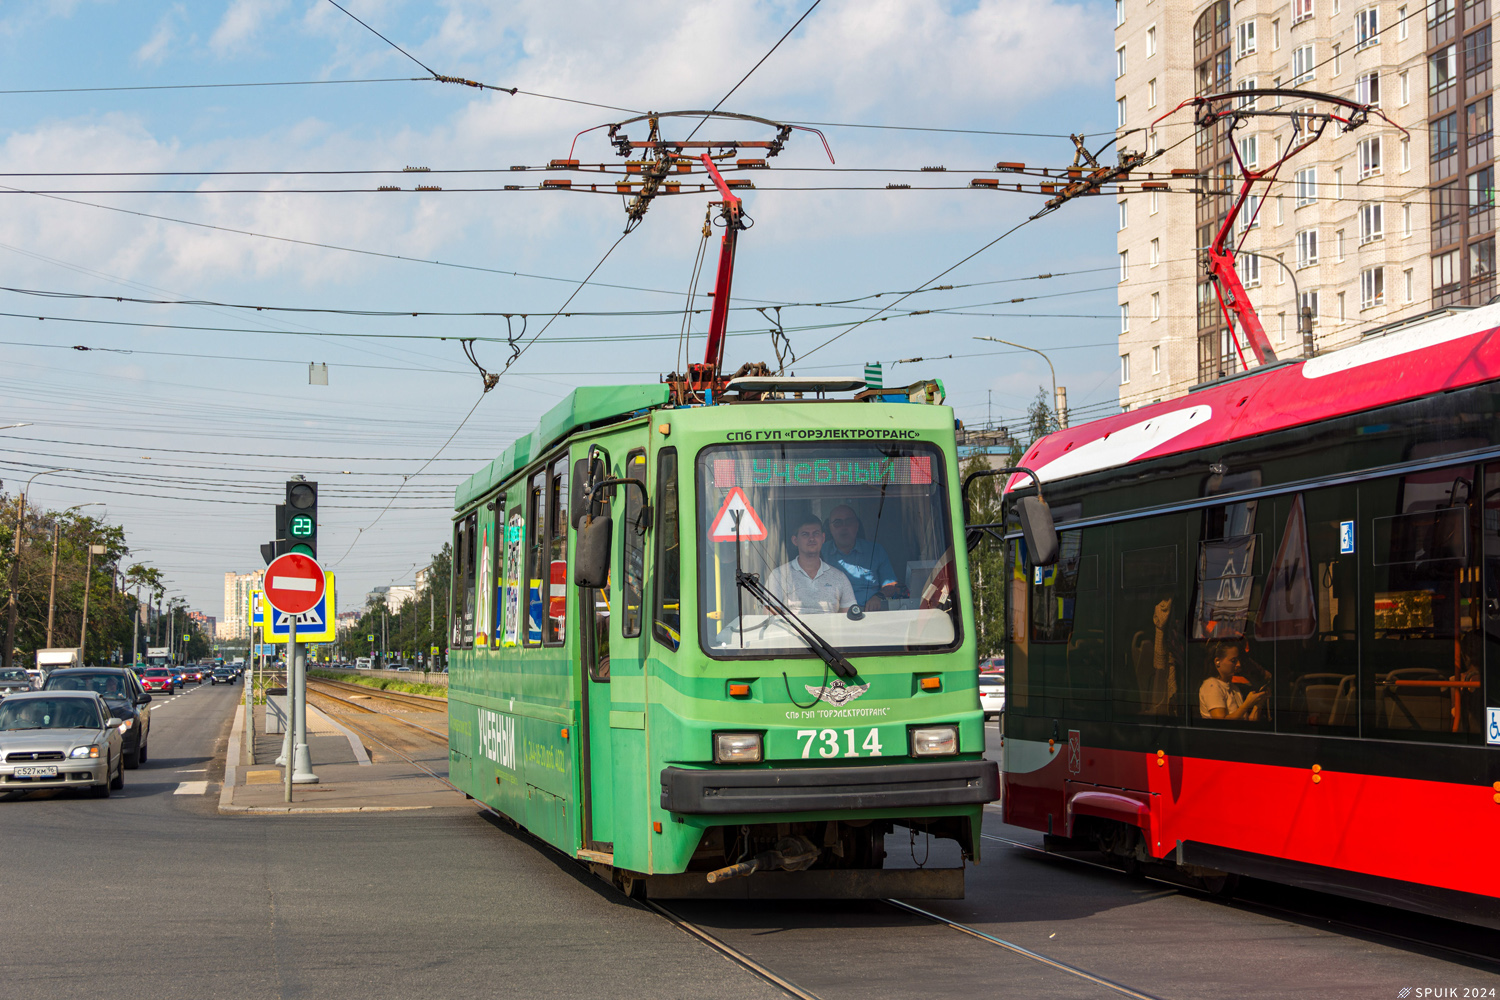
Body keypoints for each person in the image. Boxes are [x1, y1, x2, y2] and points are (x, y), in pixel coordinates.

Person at [766, 515, 856, 614]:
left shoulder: (839, 577)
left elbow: (849, 618)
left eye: (816, 533)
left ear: (823, 538)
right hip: (791, 625)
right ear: (795, 540)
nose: (812, 538)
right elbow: (770, 617)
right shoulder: (778, 575)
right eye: (805, 534)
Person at [820, 505, 901, 610]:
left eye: (849, 522)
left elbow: (892, 584)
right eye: (837, 523)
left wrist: (878, 596)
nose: (844, 527)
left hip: (870, 612)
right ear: (830, 528)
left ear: (857, 526)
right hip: (833, 614)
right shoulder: (820, 553)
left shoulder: (875, 550)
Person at [1199, 641, 1265, 720]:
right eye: (1233, 661)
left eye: (1238, 660)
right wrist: (1247, 704)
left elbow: (1247, 721)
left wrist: (1259, 703)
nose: (1238, 664)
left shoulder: (1233, 687)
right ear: (1217, 662)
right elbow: (1220, 722)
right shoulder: (1212, 686)